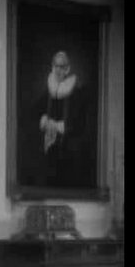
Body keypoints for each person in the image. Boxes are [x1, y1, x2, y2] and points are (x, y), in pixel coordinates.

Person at [24, 50, 93, 188]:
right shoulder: (49, 89)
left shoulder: (77, 91)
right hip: (49, 149)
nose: (58, 70)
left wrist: (58, 126)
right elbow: (33, 112)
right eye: (56, 66)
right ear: (52, 67)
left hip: (69, 149)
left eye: (62, 67)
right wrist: (44, 120)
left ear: (67, 69)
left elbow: (80, 124)